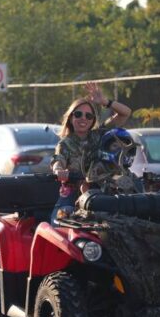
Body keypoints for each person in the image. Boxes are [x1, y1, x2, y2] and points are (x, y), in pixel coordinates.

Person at [50, 83, 132, 222]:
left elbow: (126, 112)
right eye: (78, 114)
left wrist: (106, 102)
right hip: (74, 194)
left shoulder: (100, 135)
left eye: (88, 116)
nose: (83, 118)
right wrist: (59, 170)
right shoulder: (65, 143)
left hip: (102, 191)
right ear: (71, 117)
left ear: (93, 120)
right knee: (58, 222)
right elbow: (58, 160)